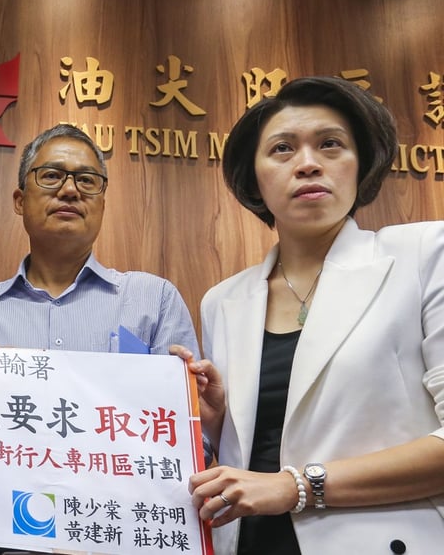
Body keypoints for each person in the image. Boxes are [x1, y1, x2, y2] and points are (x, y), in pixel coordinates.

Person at [178, 76, 444, 555]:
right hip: (248, 542)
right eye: (282, 149)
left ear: (360, 164)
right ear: (253, 178)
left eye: (330, 145)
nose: (307, 164)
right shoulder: (222, 299)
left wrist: (297, 486)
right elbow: (258, 452)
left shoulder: (425, 255)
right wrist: (216, 422)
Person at [0, 123, 201, 554]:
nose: (70, 190)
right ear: (20, 201)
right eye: (52, 176)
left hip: (119, 538)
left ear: (102, 201)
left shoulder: (154, 300)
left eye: (87, 180)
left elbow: (191, 444)